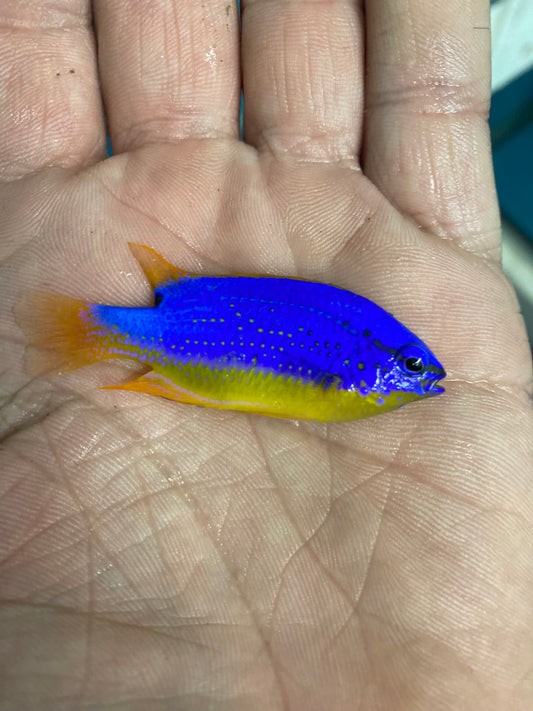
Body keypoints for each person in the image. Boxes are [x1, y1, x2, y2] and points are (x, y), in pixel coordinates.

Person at [0, 1, 531, 709]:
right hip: (187, 340)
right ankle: (95, 333)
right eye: (408, 368)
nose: (422, 381)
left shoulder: (359, 367)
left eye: (412, 369)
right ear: (372, 363)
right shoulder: (351, 372)